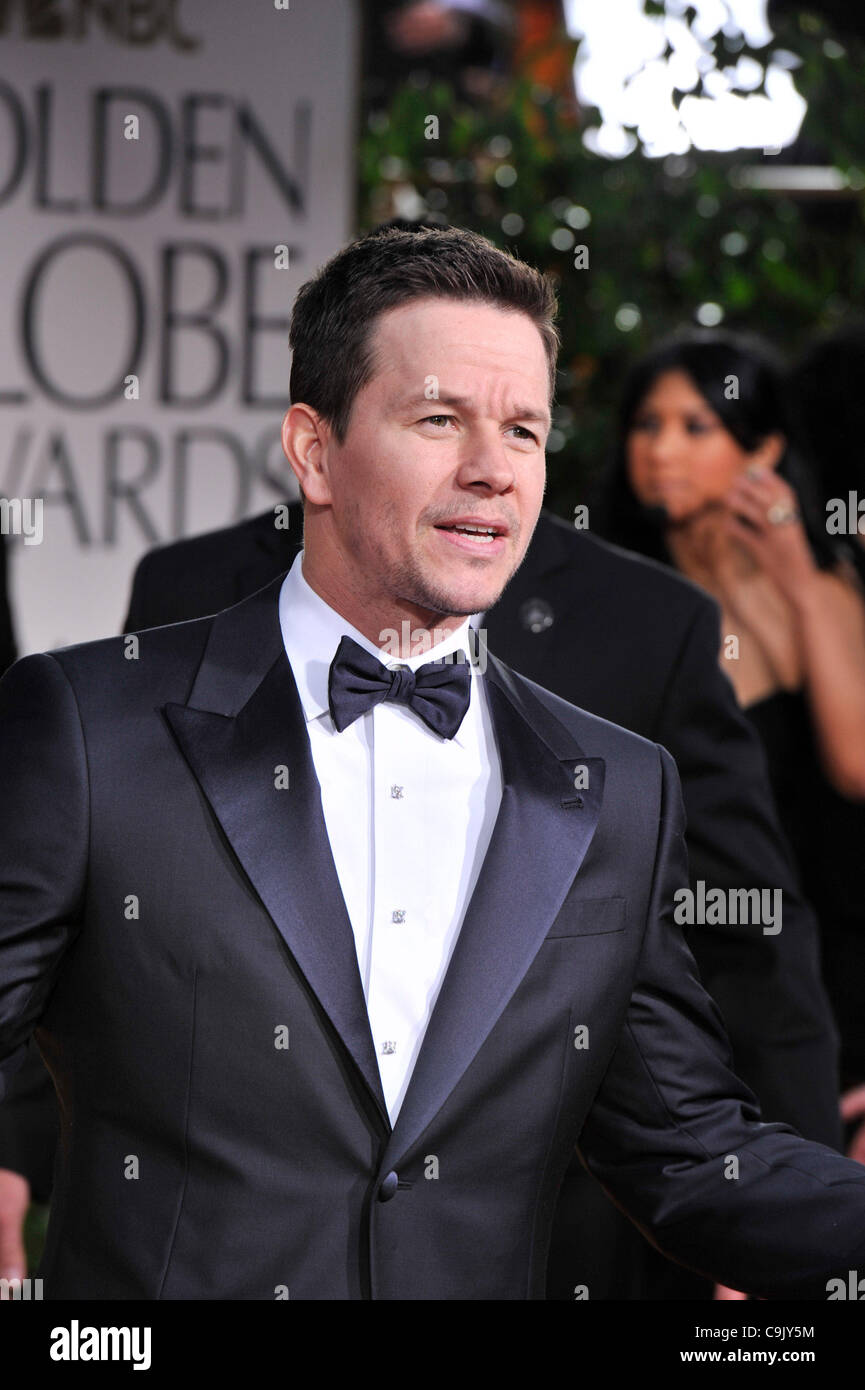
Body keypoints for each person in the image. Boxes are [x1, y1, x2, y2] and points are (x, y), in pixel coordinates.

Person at [2, 227, 865, 1300]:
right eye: (440, 419)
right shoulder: (92, 728)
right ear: (314, 452)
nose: (492, 470)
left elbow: (686, 1155)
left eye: (523, 430)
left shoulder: (614, 788)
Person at [598, 329, 865, 1160]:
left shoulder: (819, 581)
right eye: (647, 425)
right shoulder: (603, 589)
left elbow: (854, 763)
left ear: (765, 448)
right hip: (656, 957)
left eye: (694, 426)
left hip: (818, 959)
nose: (661, 451)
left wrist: (792, 569)